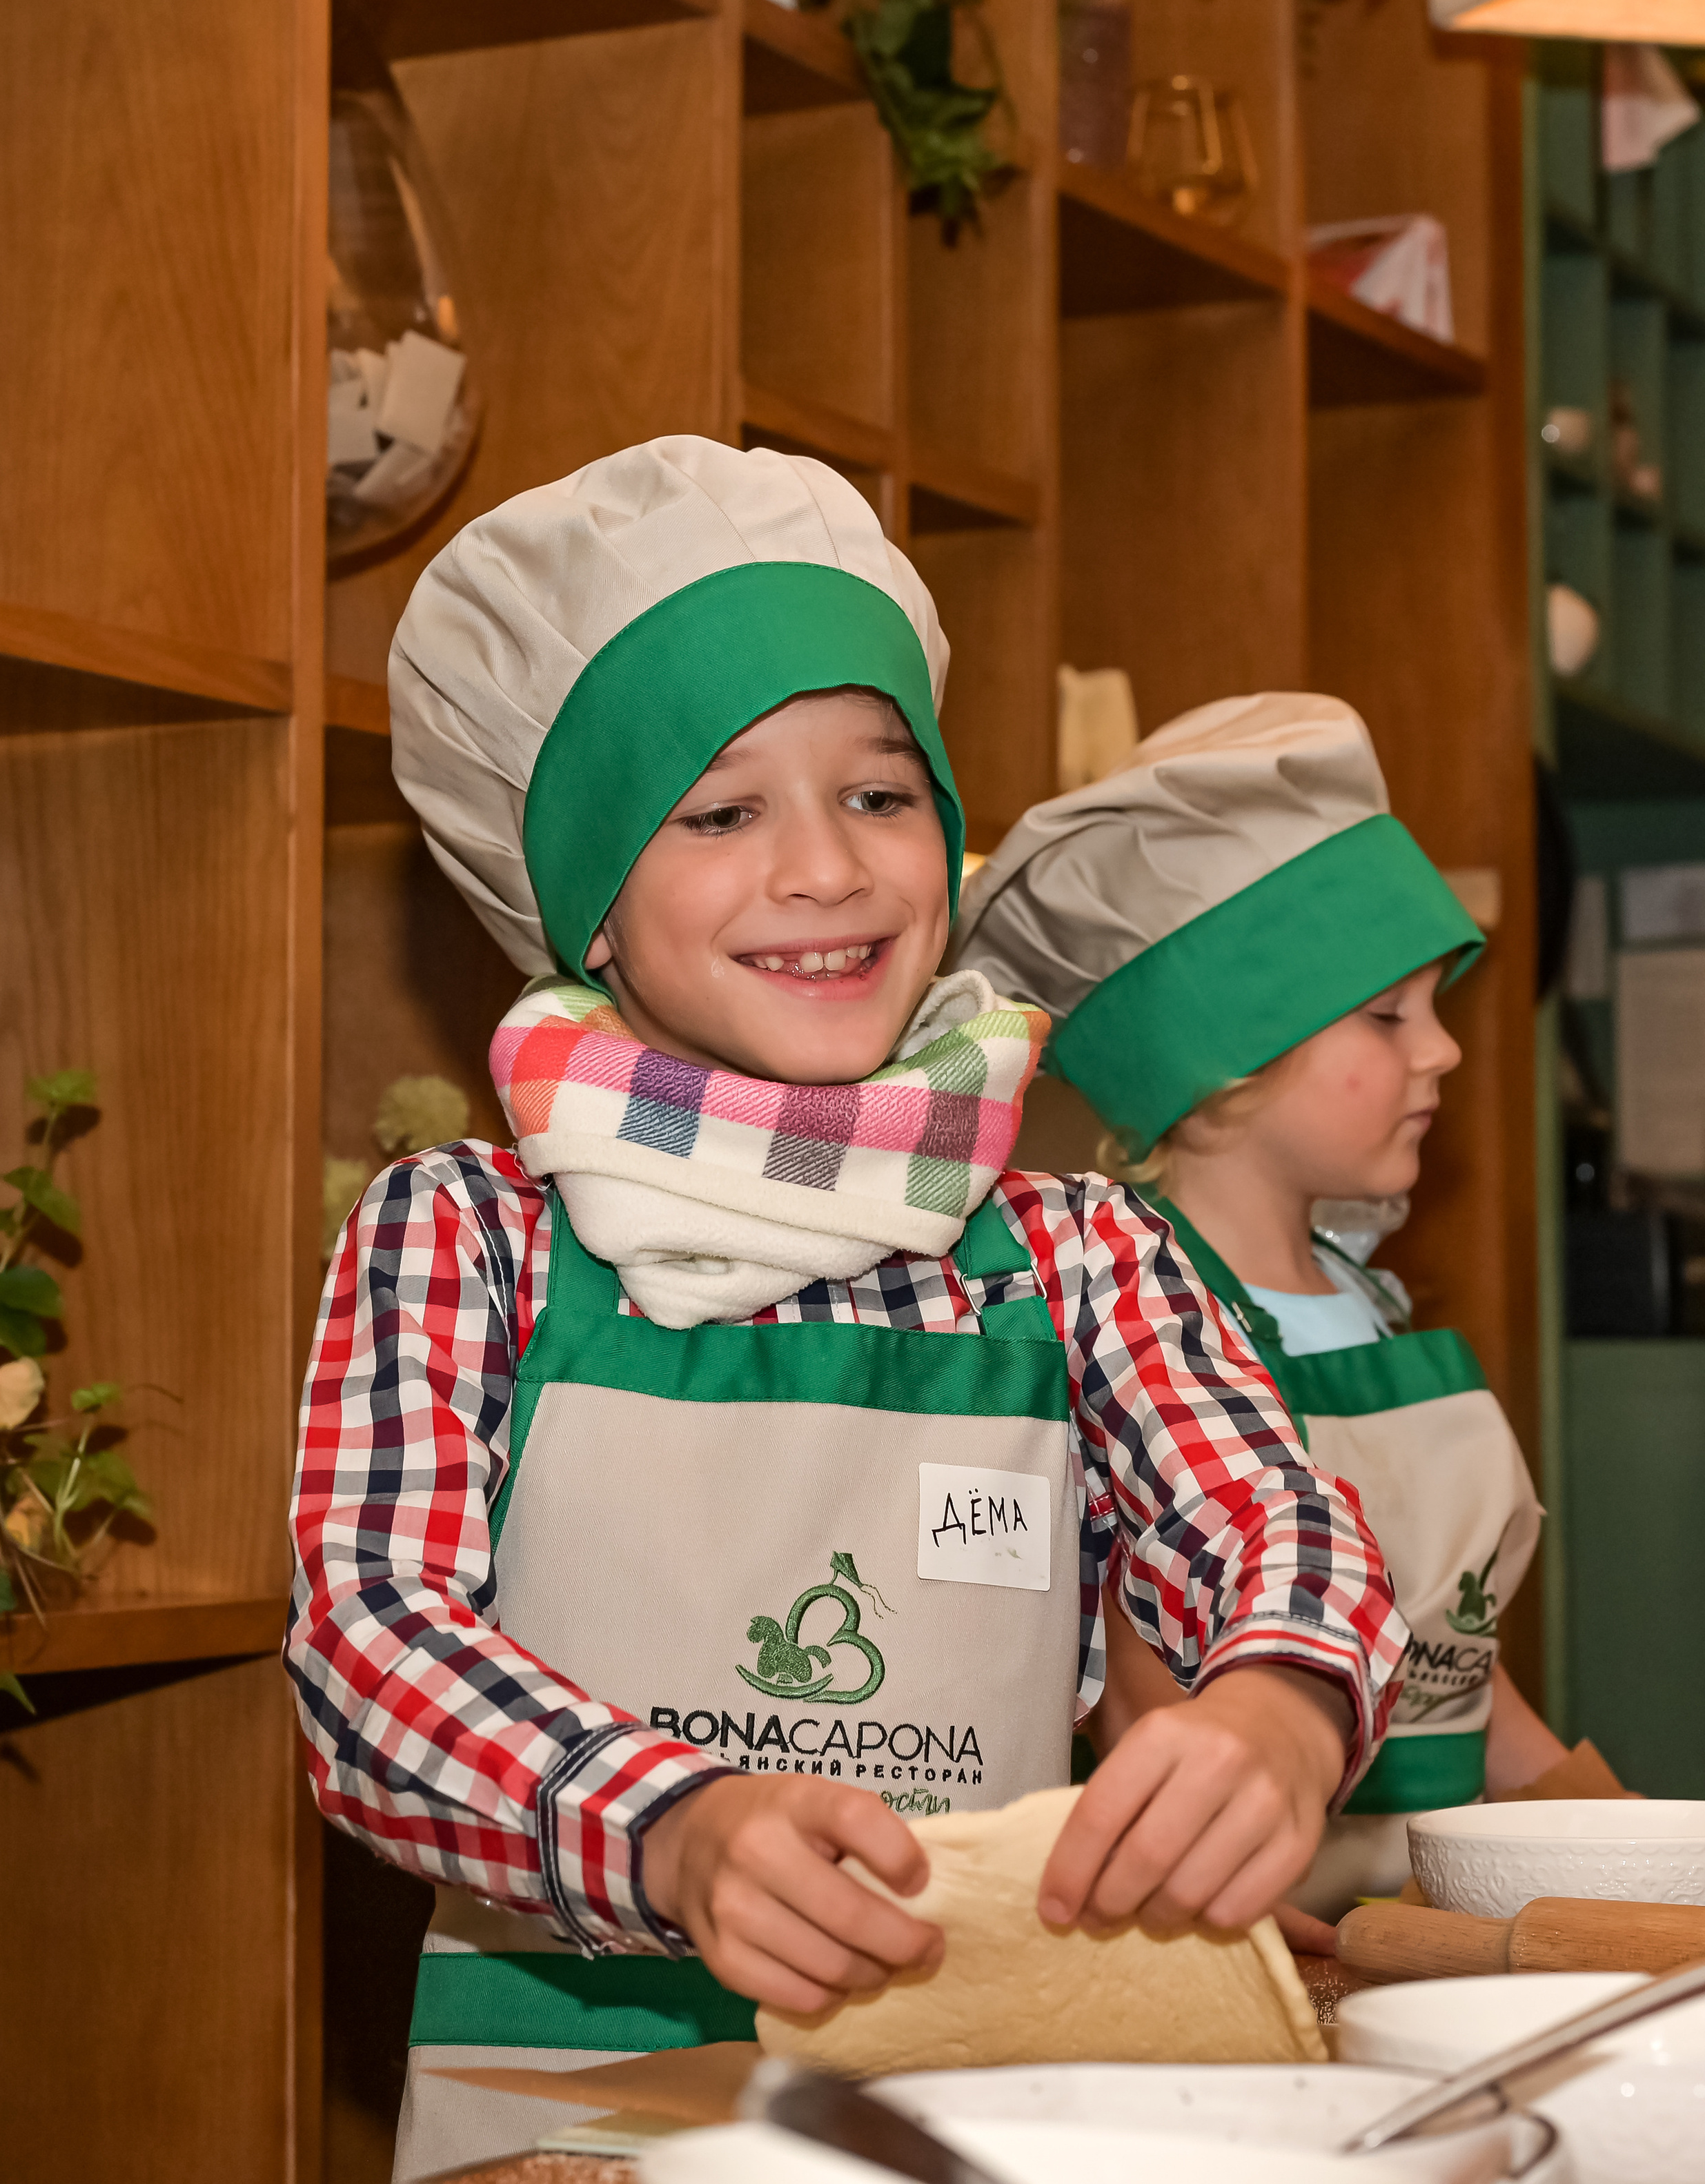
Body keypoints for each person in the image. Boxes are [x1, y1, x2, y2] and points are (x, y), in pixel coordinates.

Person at [286, 446, 1406, 2181]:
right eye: (719, 814)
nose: (824, 870)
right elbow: (373, 1649)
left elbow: (1271, 1517)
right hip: (555, 2106)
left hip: (973, 2097)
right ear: (588, 905)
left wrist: (1275, 1707)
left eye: (880, 794)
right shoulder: (466, 1238)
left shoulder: (1075, 1254)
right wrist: (668, 1831)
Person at [952, 689, 1584, 1926]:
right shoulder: (1132, 1328)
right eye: (1387, 1016)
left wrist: (1633, 1851)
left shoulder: (1369, 1302)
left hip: (1436, 1919)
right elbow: (1143, 1712)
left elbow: (1459, 1675)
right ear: (1223, 1065)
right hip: (1270, 1924)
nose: (1445, 1050)